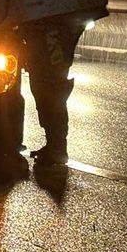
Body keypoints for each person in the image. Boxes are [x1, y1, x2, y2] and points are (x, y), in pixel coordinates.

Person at [20, 18, 83, 168]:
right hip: (45, 37)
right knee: (45, 92)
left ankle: (57, 148)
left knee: (51, 92)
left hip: (50, 36)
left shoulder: (51, 24)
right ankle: (54, 145)